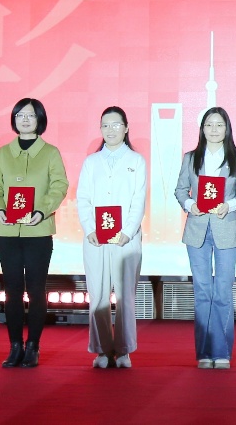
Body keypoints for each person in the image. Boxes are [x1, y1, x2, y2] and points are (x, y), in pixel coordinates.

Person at [0, 98, 69, 368]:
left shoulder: (51, 153)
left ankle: (33, 345)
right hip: (8, 231)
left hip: (38, 231)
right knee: (11, 290)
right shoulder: (3, 153)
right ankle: (14, 346)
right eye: (20, 115)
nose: (25, 119)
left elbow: (59, 186)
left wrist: (42, 211)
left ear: (40, 119)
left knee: (35, 289)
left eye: (30, 115)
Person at [173, 107, 236, 369]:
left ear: (227, 128)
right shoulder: (191, 158)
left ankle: (222, 352)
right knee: (202, 292)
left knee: (222, 292)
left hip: (226, 228)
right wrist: (190, 204)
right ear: (202, 129)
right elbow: (180, 190)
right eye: (209, 125)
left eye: (219, 125)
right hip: (197, 230)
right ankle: (204, 353)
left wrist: (229, 205)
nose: (214, 129)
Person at [77, 106, 146, 368]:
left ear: (126, 128)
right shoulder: (91, 162)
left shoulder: (136, 161)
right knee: (98, 295)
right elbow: (83, 198)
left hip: (126, 239)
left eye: (116, 125)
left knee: (125, 296)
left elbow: (138, 200)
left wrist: (127, 231)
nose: (110, 130)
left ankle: (125, 350)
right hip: (96, 238)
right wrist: (89, 229)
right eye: (105, 125)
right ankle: (102, 351)